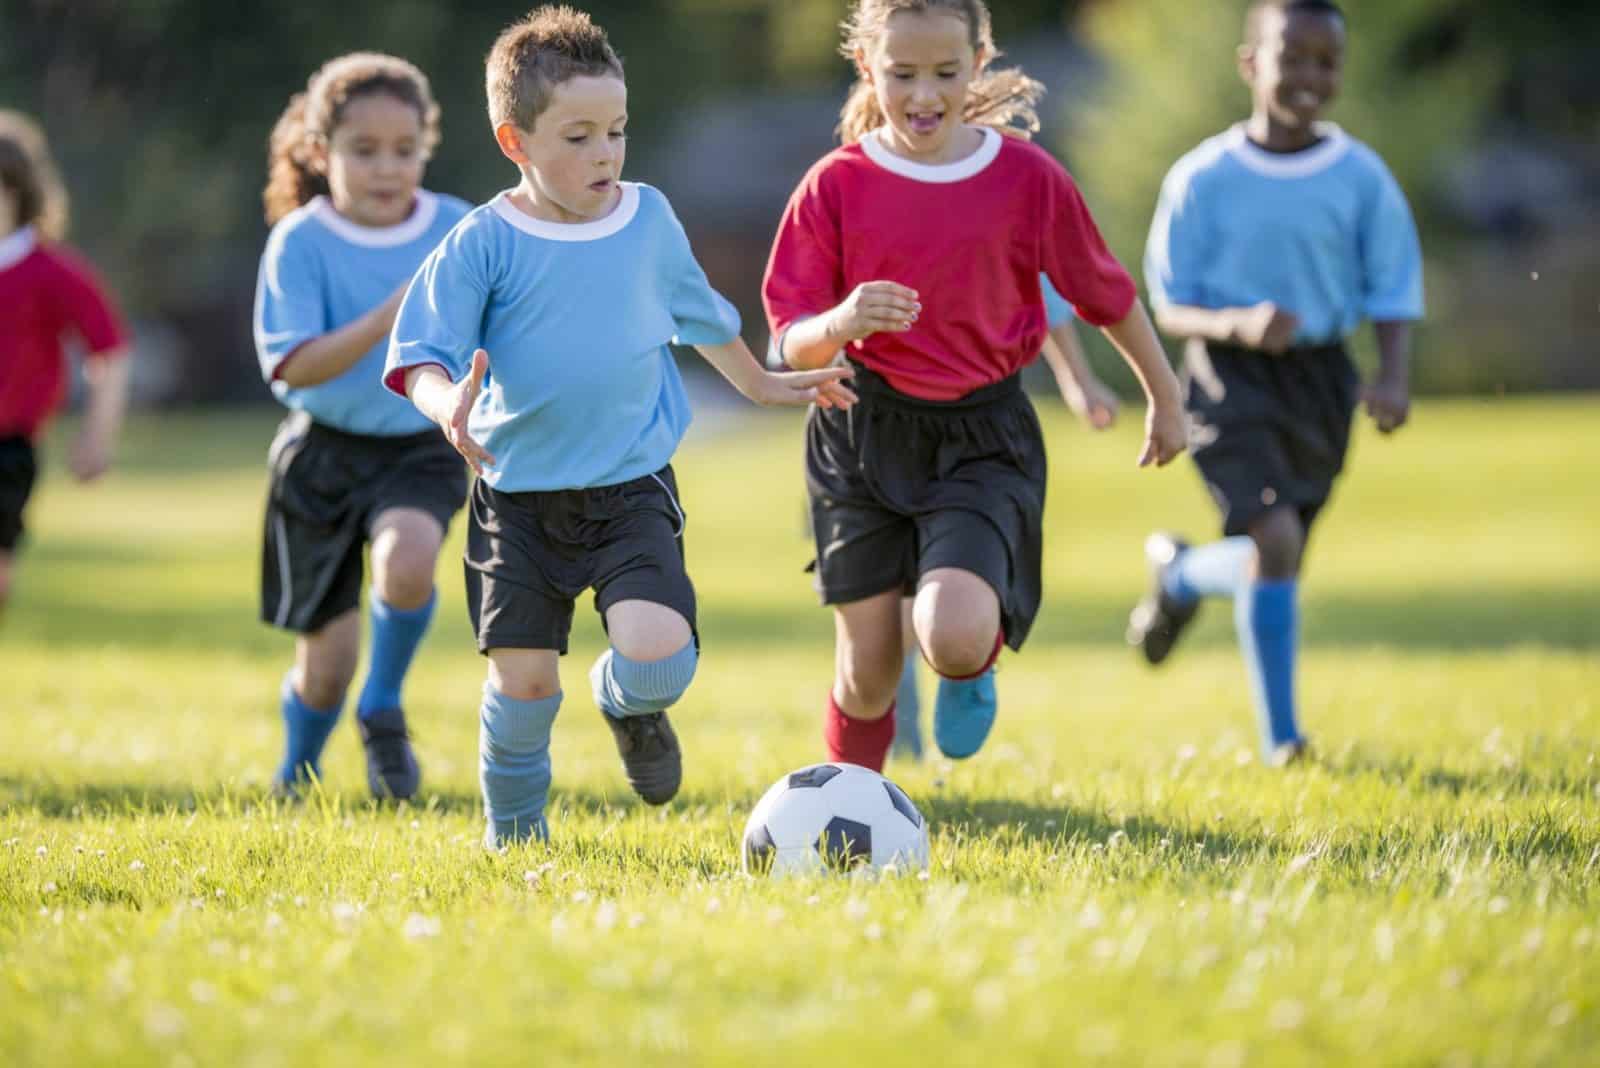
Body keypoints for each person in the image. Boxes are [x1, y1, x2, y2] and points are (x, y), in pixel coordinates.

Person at [384, 6, 855, 848]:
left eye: (617, 130)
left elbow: (699, 316)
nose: (605, 152)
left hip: (629, 487)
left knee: (661, 655)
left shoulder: (646, 219)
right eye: (577, 137)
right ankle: (516, 836)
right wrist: (444, 403)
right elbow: (421, 353)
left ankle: (626, 706)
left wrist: (762, 386)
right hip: (517, 500)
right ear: (515, 141)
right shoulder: (482, 242)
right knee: (524, 686)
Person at [764, 0, 1187, 773]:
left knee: (951, 636)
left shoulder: (1026, 179)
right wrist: (844, 319)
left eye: (945, 73)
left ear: (979, 63)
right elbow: (787, 339)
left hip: (980, 438)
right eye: (902, 74)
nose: (924, 94)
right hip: (859, 431)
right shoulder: (834, 186)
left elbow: (1104, 291)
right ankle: (855, 809)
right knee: (867, 676)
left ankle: (971, 659)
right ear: (867, 68)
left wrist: (1164, 395)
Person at [1126, 0, 1423, 766]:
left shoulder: (1360, 176)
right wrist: (1239, 325)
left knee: (1280, 556)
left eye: (1326, 62)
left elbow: (1391, 284)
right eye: (1293, 57)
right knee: (1276, 539)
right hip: (1225, 378)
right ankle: (1283, 740)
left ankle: (1183, 575)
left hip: (1322, 381)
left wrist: (1392, 378)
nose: (1310, 76)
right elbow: (1168, 300)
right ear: (1250, 63)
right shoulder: (1202, 178)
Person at [253, 53, 472, 799]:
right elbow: (294, 368)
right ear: (321, 152)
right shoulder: (301, 242)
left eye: (404, 151)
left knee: (408, 557)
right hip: (321, 456)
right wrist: (387, 318)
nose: (387, 169)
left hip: (420, 442)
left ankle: (383, 707)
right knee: (325, 668)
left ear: (426, 147)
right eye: (364, 150)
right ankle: (297, 772)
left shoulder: (456, 228)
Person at [890, 275, 1116, 761]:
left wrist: (1077, 377)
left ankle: (963, 662)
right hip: (865, 420)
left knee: (939, 581)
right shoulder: (843, 200)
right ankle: (899, 741)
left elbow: (1039, 284)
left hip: (969, 424)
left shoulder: (985, 201)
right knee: (883, 594)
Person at [0, 111, 131, 619]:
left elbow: (110, 349)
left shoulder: (50, 271)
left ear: (19, 194)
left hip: (8, 448)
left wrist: (97, 435)